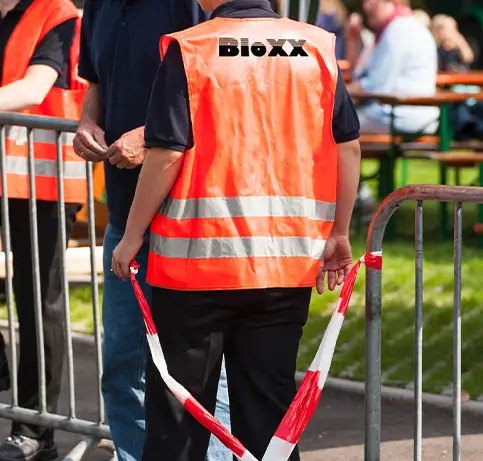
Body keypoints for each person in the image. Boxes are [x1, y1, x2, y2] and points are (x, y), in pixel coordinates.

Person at [111, 0, 361, 459]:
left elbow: (167, 153)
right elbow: (346, 147)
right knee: (269, 419)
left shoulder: (193, 48)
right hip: (284, 268)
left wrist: (132, 235)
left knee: (179, 422)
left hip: (195, 270)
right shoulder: (315, 47)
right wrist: (340, 232)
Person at [74, 2, 231, 461]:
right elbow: (96, 83)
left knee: (202, 376)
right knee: (123, 369)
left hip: (191, 218)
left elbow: (220, 89)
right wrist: (87, 122)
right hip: (125, 218)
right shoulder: (99, 5)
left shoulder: (195, 4)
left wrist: (150, 136)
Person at [0, 0, 87, 460]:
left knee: (37, 301)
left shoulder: (56, 14)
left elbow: (35, 87)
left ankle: (36, 430)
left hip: (42, 180)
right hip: (7, 175)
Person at [347, 0, 440, 134]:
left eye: (372, 1)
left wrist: (335, 95)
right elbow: (359, 74)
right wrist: (353, 39)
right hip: (404, 112)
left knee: (331, 126)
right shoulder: (399, 26)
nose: (366, 6)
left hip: (400, 114)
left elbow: (375, 86)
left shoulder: (398, 30)